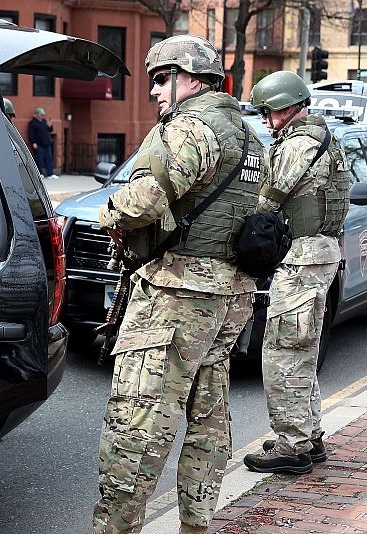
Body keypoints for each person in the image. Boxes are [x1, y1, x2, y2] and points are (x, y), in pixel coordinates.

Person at [92, 35, 266, 534]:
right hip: (232, 294)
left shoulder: (191, 128)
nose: (154, 92)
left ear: (190, 79)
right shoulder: (251, 139)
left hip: (178, 294)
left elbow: (143, 201)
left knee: (139, 421)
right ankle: (196, 523)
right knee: (208, 418)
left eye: (161, 80)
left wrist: (108, 214)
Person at [242, 71, 351, 474]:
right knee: (302, 350)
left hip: (302, 258)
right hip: (318, 254)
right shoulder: (324, 138)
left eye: (268, 112)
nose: (265, 120)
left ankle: (292, 446)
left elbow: (266, 200)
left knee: (283, 352)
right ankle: (310, 435)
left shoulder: (299, 144)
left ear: (287, 108)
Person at [28, 106, 56, 177]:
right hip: (39, 144)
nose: (42, 116)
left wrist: (50, 126)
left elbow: (50, 130)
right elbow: (31, 134)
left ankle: (50, 173)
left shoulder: (44, 121)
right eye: (41, 114)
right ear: (36, 114)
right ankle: (39, 173)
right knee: (39, 160)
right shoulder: (33, 123)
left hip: (47, 144)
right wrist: (33, 142)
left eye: (43, 115)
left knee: (49, 159)